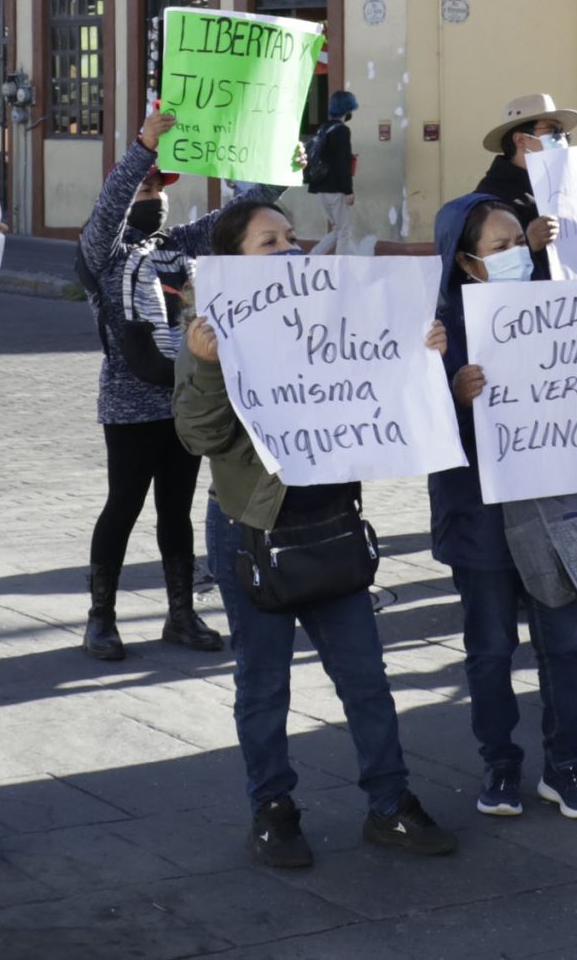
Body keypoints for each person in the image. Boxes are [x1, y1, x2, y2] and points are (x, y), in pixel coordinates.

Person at [174, 195, 458, 867]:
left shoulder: (336, 308)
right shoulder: (209, 328)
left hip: (329, 526)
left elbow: (384, 389)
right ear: (232, 259)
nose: (288, 250)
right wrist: (208, 367)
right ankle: (272, 810)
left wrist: (419, 353)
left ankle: (391, 804)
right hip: (254, 530)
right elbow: (197, 436)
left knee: (365, 677)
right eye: (268, 242)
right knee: (264, 685)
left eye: (291, 239)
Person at [430, 194, 577, 823]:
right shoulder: (436, 327)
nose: (518, 258)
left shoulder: (563, 309)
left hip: (555, 513)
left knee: (563, 646)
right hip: (476, 517)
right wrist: (450, 393)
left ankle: (566, 765)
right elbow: (408, 422)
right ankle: (499, 763)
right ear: (468, 261)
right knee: (491, 649)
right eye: (501, 248)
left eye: (520, 246)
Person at [75, 107, 224, 662]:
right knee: (124, 506)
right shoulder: (103, 255)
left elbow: (242, 214)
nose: (152, 193)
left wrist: (280, 165)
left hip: (184, 400)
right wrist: (141, 148)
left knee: (177, 511)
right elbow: (111, 208)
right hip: (130, 406)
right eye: (143, 186)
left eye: (159, 184)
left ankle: (181, 614)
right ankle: (100, 618)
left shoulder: (182, 245)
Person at [473, 94, 576, 270]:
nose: (562, 140)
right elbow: (484, 266)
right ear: (520, 140)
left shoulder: (565, 183)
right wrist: (528, 244)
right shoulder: (491, 196)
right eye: (552, 132)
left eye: (564, 134)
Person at [305, 91, 363, 256]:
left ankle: (313, 256)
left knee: (338, 228)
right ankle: (341, 267)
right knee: (344, 231)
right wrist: (348, 190)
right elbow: (342, 163)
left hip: (320, 187)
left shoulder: (323, 128)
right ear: (347, 110)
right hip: (335, 189)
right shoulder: (342, 131)